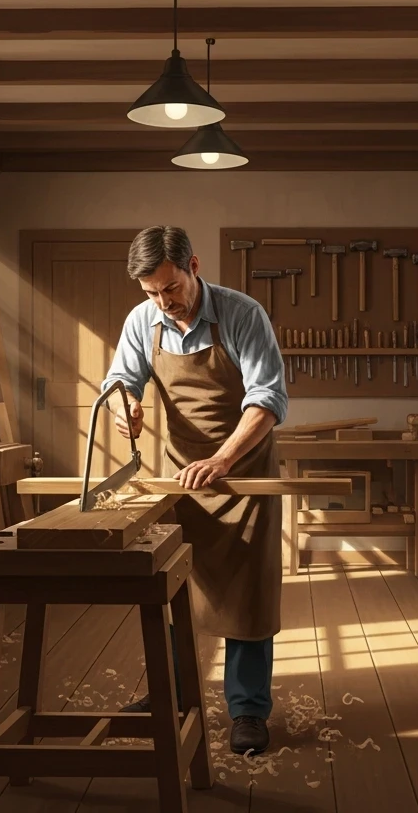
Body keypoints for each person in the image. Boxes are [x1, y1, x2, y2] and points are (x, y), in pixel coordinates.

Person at [102, 226, 287, 756]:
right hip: (180, 476)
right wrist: (126, 410)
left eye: (171, 288)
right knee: (173, 589)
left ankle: (248, 710)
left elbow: (268, 397)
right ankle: (175, 693)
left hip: (244, 474)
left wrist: (224, 458)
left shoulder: (242, 314)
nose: (164, 302)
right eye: (152, 293)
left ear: (194, 266)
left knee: (247, 594)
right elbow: (118, 382)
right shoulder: (143, 321)